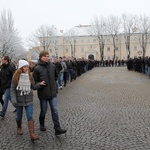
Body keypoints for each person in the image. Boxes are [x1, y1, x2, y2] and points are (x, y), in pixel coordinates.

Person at [33, 50, 67, 135]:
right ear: (41, 57)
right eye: (45, 56)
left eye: (48, 56)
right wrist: (39, 84)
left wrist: (54, 86)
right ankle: (41, 124)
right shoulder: (37, 68)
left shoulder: (52, 66)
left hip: (52, 93)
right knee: (43, 111)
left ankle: (57, 128)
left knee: (54, 110)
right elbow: (34, 82)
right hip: (43, 93)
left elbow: (56, 77)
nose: (47, 58)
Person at [10, 60, 45, 141]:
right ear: (20, 68)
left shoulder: (30, 76)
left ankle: (32, 134)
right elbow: (12, 89)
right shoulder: (15, 77)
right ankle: (19, 127)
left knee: (30, 116)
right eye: (24, 67)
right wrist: (14, 100)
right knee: (19, 116)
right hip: (18, 100)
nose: (26, 68)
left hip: (29, 100)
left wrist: (39, 84)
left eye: (27, 67)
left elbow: (33, 87)